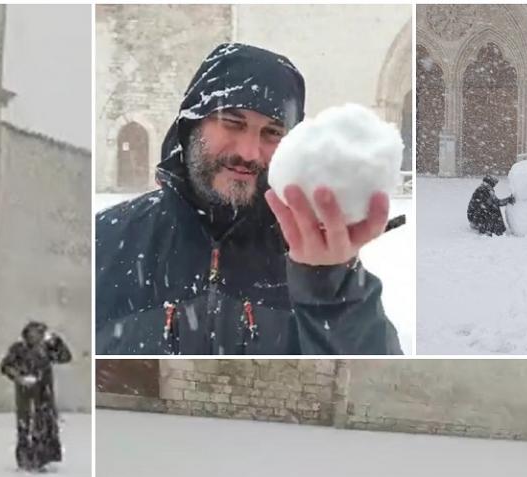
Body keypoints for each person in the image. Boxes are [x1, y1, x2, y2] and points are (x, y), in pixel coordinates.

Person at [96, 43, 402, 356]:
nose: (248, 153)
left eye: (272, 133)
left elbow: (369, 370)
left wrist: (331, 288)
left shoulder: (307, 254)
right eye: (232, 122)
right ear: (191, 124)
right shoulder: (105, 240)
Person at [0, 321, 72, 471]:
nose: (36, 337)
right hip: (25, 394)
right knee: (26, 425)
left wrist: (57, 342)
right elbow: (6, 366)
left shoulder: (46, 348)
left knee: (45, 425)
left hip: (44, 393)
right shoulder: (18, 349)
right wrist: (19, 377)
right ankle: (26, 460)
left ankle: (42, 459)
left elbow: (64, 357)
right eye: (33, 333)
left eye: (40, 334)